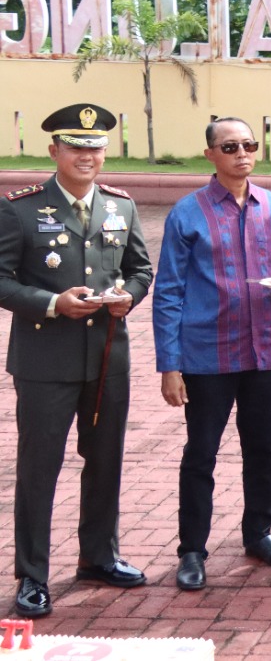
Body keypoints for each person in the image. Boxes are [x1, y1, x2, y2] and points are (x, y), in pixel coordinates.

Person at [0, 104, 152, 618]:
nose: (87, 155)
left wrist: (128, 295)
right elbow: (0, 279)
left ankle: (98, 556)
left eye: (95, 147)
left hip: (108, 355)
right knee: (40, 470)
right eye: (76, 146)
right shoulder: (20, 208)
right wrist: (52, 302)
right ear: (54, 151)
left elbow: (139, 268)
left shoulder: (120, 206)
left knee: (105, 461)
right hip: (45, 360)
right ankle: (33, 576)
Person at [152, 117, 271, 591]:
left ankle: (259, 532)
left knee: (263, 451)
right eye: (230, 146)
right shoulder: (187, 213)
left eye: (249, 144)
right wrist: (169, 364)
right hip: (206, 355)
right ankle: (192, 550)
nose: (241, 153)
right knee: (201, 455)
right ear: (210, 155)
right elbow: (168, 292)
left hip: (263, 351)